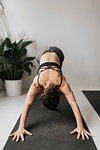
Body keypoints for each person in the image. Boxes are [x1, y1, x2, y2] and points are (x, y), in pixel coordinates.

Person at [8, 46, 93, 142]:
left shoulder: (45, 82)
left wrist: (21, 128)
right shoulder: (59, 82)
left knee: (53, 67)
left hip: (55, 54)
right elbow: (73, 103)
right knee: (53, 68)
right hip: (45, 53)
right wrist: (80, 126)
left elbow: (27, 104)